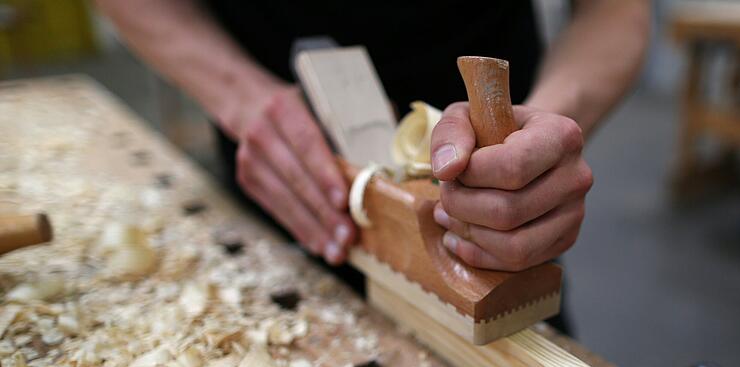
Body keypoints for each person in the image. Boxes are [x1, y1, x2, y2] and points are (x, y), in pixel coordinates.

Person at [96, 1, 649, 272]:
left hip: (499, 227)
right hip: (282, 175)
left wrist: (533, 151)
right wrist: (239, 95)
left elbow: (615, 12)